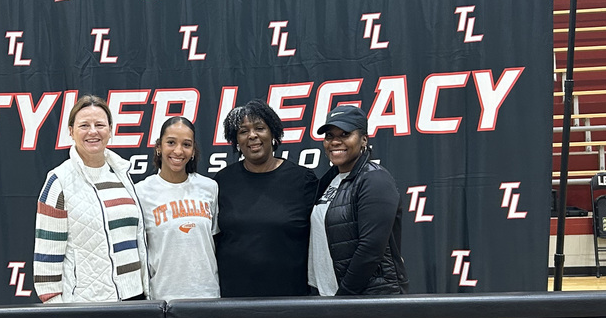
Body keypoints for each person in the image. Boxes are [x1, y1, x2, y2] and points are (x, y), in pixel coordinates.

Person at [33, 95, 149, 303]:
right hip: (86, 305)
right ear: (71, 131)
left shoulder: (122, 174)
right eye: (84, 125)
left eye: (100, 124)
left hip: (134, 300)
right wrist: (55, 310)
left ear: (110, 130)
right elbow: (46, 258)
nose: (93, 131)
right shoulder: (59, 181)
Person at [214, 99, 318, 297]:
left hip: (290, 301)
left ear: (273, 134)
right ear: (236, 141)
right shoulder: (222, 181)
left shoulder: (303, 180)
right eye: (243, 131)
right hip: (234, 300)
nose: (252, 136)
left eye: (260, 128)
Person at [313, 105, 409, 295]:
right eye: (330, 136)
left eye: (345, 134)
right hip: (329, 297)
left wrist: (345, 297)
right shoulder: (330, 180)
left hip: (367, 301)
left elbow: (370, 250)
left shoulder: (375, 179)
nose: (335, 141)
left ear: (364, 139)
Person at [135, 116, 220, 301]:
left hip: (208, 295)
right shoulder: (141, 192)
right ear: (159, 146)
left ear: (193, 150)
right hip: (163, 298)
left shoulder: (209, 187)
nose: (178, 151)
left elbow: (214, 242)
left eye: (186, 144)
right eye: (171, 142)